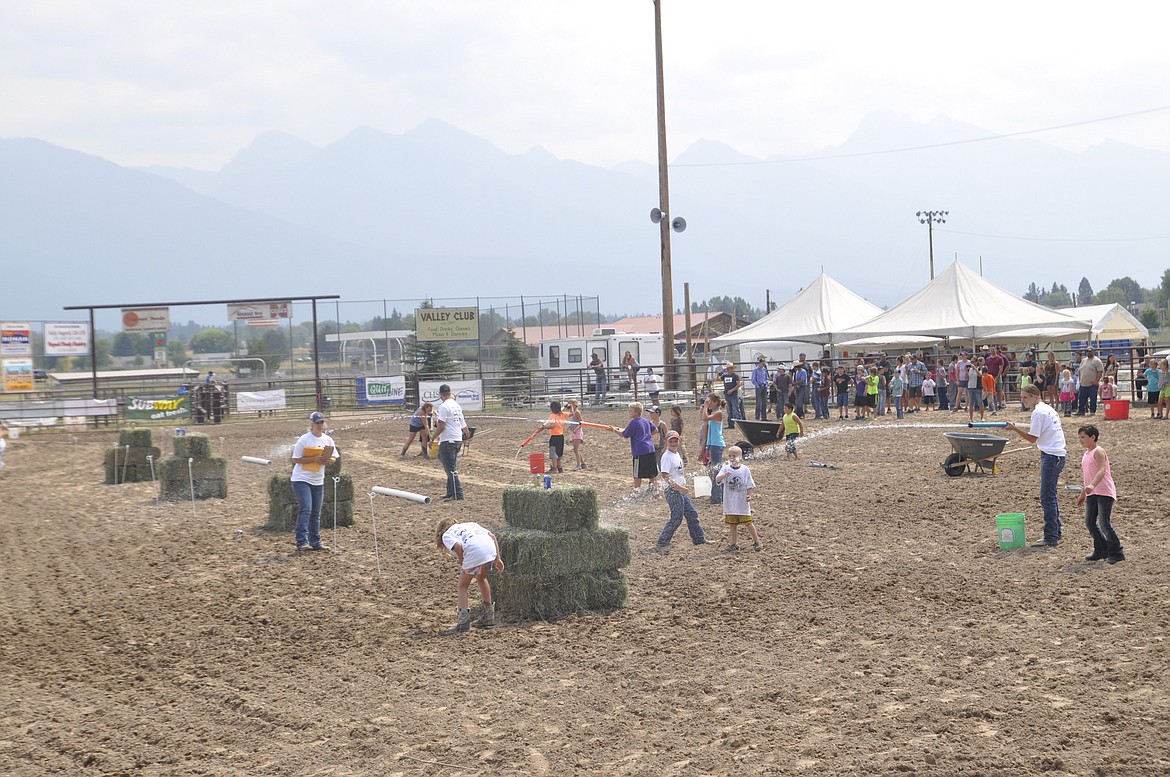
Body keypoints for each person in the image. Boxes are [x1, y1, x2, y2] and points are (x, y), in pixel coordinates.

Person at [1005, 384, 1067, 548]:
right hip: (1056, 454)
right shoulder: (1047, 409)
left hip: (1052, 455)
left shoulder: (1038, 413)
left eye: (1025, 397)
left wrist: (1014, 428)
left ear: (1034, 396)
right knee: (1050, 496)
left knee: (1047, 497)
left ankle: (1051, 536)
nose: (1023, 401)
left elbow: (1032, 438)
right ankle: (1056, 531)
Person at [435, 518, 504, 633]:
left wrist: (461, 560)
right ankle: (489, 617)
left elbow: (457, 545)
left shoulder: (447, 534)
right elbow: (492, 536)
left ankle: (463, 623)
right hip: (489, 550)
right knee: (482, 579)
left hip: (474, 553)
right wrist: (498, 559)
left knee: (462, 586)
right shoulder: (471, 524)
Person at [654, 431, 712, 551]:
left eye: (676, 441)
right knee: (676, 518)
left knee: (691, 514)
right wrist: (680, 487)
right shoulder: (666, 456)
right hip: (673, 491)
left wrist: (682, 486)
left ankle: (699, 539)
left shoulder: (677, 454)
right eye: (671, 441)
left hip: (680, 490)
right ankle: (662, 542)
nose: (674, 443)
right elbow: (665, 476)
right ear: (667, 442)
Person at [1075, 425, 1125, 564]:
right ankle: (1101, 549)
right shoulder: (1086, 454)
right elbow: (1087, 476)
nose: (1081, 440)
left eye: (1083, 437)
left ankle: (1117, 552)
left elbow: (1102, 470)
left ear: (1093, 437)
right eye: (1080, 437)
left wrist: (1092, 485)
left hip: (1103, 491)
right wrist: (1083, 493)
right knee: (1090, 522)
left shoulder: (1099, 451)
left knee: (1104, 523)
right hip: (1092, 493)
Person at [290, 411, 339, 551]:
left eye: (321, 422)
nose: (319, 425)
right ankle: (301, 542)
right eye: (317, 423)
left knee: (316, 512)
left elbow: (335, 457)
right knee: (306, 508)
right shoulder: (304, 439)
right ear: (311, 424)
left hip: (318, 480)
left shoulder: (328, 440)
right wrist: (314, 459)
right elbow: (295, 459)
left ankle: (315, 542)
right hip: (301, 479)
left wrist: (330, 461)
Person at [715, 445, 761, 552]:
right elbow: (717, 479)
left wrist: (749, 495)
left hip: (742, 503)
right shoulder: (725, 468)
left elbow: (750, 485)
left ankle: (756, 541)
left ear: (740, 457)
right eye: (730, 455)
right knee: (732, 525)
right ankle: (734, 544)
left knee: (748, 523)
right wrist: (724, 476)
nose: (732, 458)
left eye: (734, 456)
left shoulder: (745, 470)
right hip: (730, 503)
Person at [610, 401, 657, 491]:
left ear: (636, 412)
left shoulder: (634, 422)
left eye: (630, 410)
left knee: (637, 473)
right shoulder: (646, 421)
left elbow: (625, 434)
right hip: (650, 449)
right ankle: (655, 491)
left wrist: (613, 430)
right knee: (652, 472)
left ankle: (636, 491)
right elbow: (655, 430)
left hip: (640, 451)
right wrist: (645, 435)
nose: (629, 412)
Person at [434, 384, 469, 501]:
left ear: (441, 394)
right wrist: (467, 434)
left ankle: (458, 493)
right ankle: (450, 492)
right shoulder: (456, 405)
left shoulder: (443, 406)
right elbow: (463, 423)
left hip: (448, 440)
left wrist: (433, 437)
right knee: (450, 465)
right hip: (457, 439)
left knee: (450, 467)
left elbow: (441, 425)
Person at [700, 393, 726, 504]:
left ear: (715, 402)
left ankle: (717, 496)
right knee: (714, 470)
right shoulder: (715, 413)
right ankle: (718, 495)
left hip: (717, 444)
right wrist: (707, 447)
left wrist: (705, 406)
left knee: (716, 471)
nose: (708, 403)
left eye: (710, 401)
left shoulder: (718, 413)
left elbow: (704, 418)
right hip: (713, 444)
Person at [537, 400, 571, 474]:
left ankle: (554, 468)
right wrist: (571, 408)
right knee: (559, 453)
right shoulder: (563, 414)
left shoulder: (552, 416)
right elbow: (571, 414)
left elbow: (552, 425)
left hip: (555, 437)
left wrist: (543, 427)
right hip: (561, 436)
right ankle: (560, 468)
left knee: (553, 453)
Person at [1076, 347, 1104, 416]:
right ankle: (1081, 411)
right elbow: (1080, 370)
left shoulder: (1097, 361)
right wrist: (1080, 380)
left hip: (1092, 383)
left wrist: (1096, 381)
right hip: (1083, 383)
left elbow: (1100, 371)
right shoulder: (1083, 360)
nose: (1089, 353)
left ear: (1093, 352)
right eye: (1087, 351)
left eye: (1090, 351)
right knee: (1081, 398)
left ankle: (1092, 411)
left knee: (1093, 398)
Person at [565, 398, 587, 470]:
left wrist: (576, 429)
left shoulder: (577, 412)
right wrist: (570, 427)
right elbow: (574, 421)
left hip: (577, 432)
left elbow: (581, 422)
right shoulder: (573, 412)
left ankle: (578, 465)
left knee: (576, 449)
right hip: (574, 432)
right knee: (575, 449)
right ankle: (583, 463)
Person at [722, 361, 744, 428]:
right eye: (728, 368)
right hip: (727, 395)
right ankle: (730, 424)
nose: (729, 369)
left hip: (734, 395)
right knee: (729, 410)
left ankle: (740, 424)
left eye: (731, 368)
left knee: (736, 409)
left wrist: (732, 390)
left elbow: (738, 384)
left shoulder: (735, 376)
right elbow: (717, 379)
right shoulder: (724, 376)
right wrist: (718, 374)